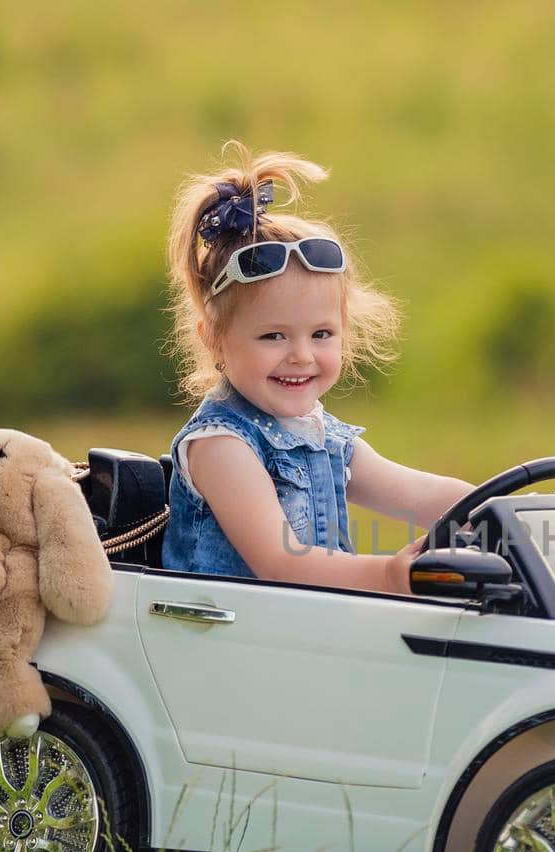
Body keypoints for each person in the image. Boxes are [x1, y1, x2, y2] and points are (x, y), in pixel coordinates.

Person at [161, 142, 473, 592]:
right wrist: (388, 574)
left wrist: (503, 511)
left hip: (302, 635)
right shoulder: (221, 446)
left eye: (321, 335)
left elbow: (421, 494)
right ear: (215, 339)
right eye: (274, 336)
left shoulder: (320, 435)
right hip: (229, 644)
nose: (302, 356)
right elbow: (279, 562)